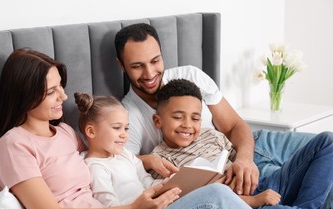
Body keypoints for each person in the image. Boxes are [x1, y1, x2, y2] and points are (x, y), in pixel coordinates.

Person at [0, 48, 333, 209]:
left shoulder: (64, 132)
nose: (62, 97)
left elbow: (102, 159)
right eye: (51, 91)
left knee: (215, 196)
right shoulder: (13, 145)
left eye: (61, 86)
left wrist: (144, 161)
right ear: (25, 94)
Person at [75, 90, 332, 209]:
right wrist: (146, 201)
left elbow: (145, 181)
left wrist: (168, 183)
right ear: (91, 132)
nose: (124, 135)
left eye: (127, 129)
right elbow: (109, 208)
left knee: (326, 141)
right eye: (117, 128)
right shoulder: (95, 166)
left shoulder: (129, 157)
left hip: (251, 186)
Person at [114, 22, 318, 198]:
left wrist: (245, 159)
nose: (149, 73)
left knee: (326, 145)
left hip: (249, 145)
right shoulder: (127, 116)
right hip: (226, 174)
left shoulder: (191, 75)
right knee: (308, 187)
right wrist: (147, 159)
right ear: (121, 65)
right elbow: (119, 165)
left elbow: (234, 125)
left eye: (155, 60)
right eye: (137, 66)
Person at [150, 78, 333, 209]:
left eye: (195, 118)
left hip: (266, 185)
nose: (188, 125)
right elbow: (200, 204)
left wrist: (247, 164)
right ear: (158, 121)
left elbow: (244, 161)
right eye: (178, 117)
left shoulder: (212, 135)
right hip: (243, 208)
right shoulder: (161, 160)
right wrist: (255, 200)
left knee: (326, 140)